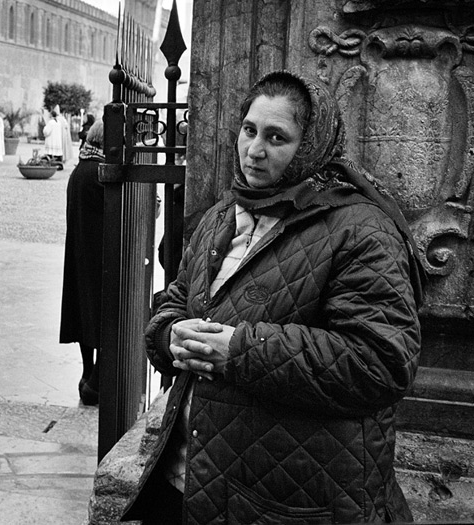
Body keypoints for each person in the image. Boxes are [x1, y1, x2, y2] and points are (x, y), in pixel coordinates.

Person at [121, 71, 424, 524]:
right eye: (249, 130)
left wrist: (241, 350)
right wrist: (169, 335)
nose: (254, 151)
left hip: (288, 500)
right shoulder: (226, 212)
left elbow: (380, 362)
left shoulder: (360, 230)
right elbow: (180, 297)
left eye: (276, 137)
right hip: (191, 479)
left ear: (310, 146)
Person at [59, 117, 105, 406]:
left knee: (84, 315)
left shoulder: (81, 169)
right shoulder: (99, 172)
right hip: (99, 254)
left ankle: (88, 374)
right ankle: (97, 380)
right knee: (101, 317)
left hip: (80, 252)